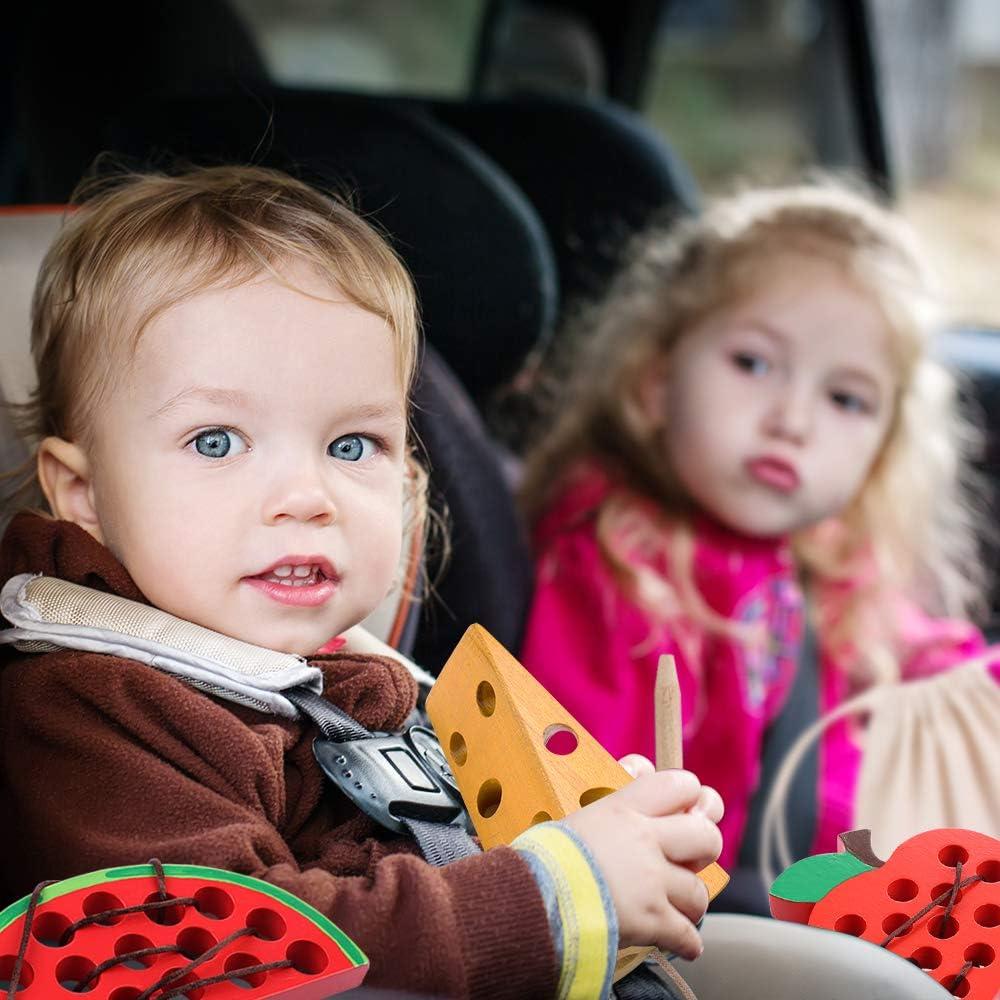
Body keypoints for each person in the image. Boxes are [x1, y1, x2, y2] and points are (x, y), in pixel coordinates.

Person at [0, 166, 723, 999]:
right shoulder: (88, 712)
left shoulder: (364, 679)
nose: (306, 499)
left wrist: (607, 838)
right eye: (215, 442)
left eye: (351, 446)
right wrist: (556, 892)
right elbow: (251, 955)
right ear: (84, 495)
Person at [519, 181, 995, 872]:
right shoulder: (617, 561)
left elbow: (929, 658)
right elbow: (586, 799)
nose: (792, 421)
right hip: (713, 907)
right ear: (655, 384)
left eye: (845, 398)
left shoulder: (823, 551)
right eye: (754, 363)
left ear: (881, 451)